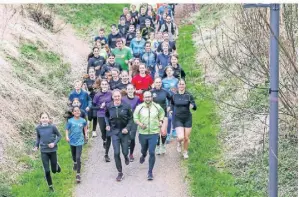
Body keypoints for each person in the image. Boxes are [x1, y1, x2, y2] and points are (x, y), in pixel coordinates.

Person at [133, 91, 165, 180]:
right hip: (143, 133)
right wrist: (140, 124)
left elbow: (162, 114)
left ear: (152, 97)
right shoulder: (139, 107)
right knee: (144, 149)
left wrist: (160, 121)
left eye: (149, 97)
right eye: (146, 97)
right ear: (143, 98)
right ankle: (143, 155)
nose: (148, 98)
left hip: (154, 132)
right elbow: (135, 117)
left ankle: (150, 172)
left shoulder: (157, 106)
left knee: (151, 152)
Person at [105, 89, 133, 181]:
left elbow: (131, 119)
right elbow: (106, 116)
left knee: (125, 151)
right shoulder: (109, 106)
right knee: (116, 153)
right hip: (114, 132)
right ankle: (120, 172)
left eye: (118, 96)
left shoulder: (126, 106)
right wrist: (108, 124)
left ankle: (126, 156)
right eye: (115, 96)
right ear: (112, 97)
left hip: (124, 132)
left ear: (121, 96)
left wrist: (127, 128)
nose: (117, 98)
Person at [33, 112, 62, 192]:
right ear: (40, 119)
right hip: (43, 151)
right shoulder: (38, 128)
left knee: (54, 170)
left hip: (53, 150)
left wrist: (54, 143)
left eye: (46, 117)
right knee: (47, 170)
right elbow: (38, 138)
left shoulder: (52, 127)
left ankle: (56, 165)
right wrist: (36, 146)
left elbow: (59, 136)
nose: (44, 119)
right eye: (43, 117)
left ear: (48, 119)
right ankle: (50, 186)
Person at [170, 79, 197, 159]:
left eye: (183, 84)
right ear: (177, 86)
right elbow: (172, 104)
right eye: (180, 84)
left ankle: (185, 152)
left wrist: (193, 106)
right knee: (181, 137)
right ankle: (178, 142)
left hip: (187, 118)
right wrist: (171, 110)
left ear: (185, 85)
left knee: (186, 138)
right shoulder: (174, 95)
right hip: (178, 118)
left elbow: (195, 106)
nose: (181, 86)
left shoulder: (189, 95)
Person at [65, 106, 88, 183]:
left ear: (80, 112)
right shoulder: (70, 121)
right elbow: (67, 129)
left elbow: (85, 127)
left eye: (78, 111)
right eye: (75, 111)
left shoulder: (83, 120)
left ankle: (78, 174)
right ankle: (74, 163)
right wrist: (67, 137)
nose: (77, 112)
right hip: (72, 141)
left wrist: (86, 135)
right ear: (73, 113)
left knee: (78, 157)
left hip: (80, 141)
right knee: (74, 156)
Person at [93, 79, 113, 162]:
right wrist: (100, 107)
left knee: (109, 134)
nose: (104, 86)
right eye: (103, 84)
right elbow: (93, 107)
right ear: (100, 86)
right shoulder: (97, 95)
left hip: (110, 115)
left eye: (106, 84)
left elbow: (114, 102)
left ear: (108, 85)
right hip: (101, 115)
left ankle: (106, 154)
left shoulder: (111, 94)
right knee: (103, 132)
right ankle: (104, 140)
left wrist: (109, 105)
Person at [150, 78, 171, 155]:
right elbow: (147, 102)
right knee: (157, 132)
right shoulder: (151, 92)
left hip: (164, 114)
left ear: (161, 83)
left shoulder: (165, 91)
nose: (158, 83)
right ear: (154, 83)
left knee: (163, 131)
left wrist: (169, 106)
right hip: (154, 115)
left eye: (159, 82)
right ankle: (158, 146)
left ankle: (163, 145)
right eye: (156, 82)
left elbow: (171, 99)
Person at [122, 84, 140, 161]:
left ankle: (131, 154)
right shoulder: (123, 99)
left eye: (131, 89)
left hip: (133, 119)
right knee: (125, 136)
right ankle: (125, 151)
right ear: (126, 90)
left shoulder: (137, 98)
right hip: (124, 120)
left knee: (132, 137)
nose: (130, 90)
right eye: (128, 89)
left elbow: (140, 108)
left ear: (134, 89)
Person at [162, 66, 179, 143]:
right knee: (168, 118)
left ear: (173, 72)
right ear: (166, 72)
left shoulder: (176, 80)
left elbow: (179, 90)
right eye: (167, 71)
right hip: (166, 101)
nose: (169, 72)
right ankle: (168, 134)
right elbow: (161, 91)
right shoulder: (163, 81)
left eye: (170, 70)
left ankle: (174, 129)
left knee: (174, 115)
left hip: (174, 100)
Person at [84, 68, 99, 137]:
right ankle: (87, 126)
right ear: (88, 73)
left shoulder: (98, 80)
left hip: (97, 100)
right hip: (89, 100)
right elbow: (85, 91)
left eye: (93, 72)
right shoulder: (86, 81)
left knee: (95, 115)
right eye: (90, 72)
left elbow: (100, 88)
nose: (91, 73)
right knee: (90, 116)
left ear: (95, 72)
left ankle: (94, 131)